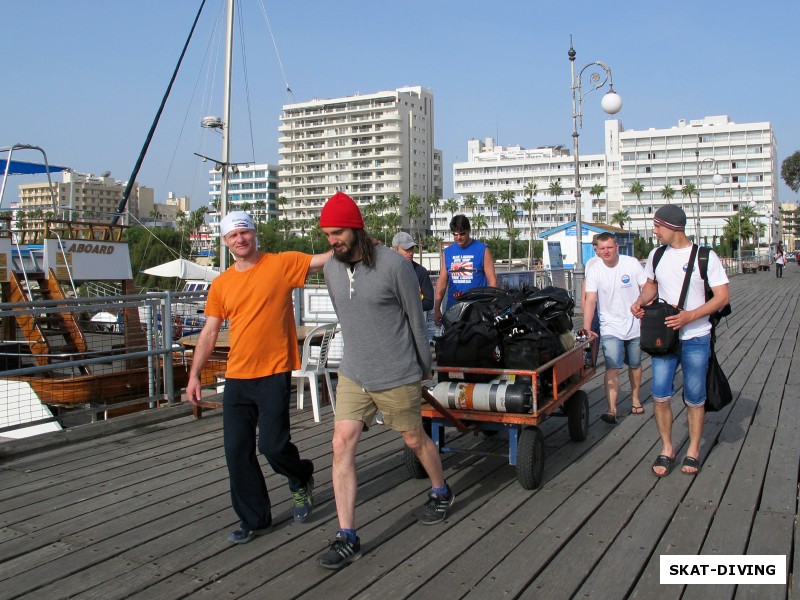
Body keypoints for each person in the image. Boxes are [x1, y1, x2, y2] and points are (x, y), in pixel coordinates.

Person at [315, 192, 453, 570]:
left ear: (357, 228)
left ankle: (441, 490)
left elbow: (415, 319)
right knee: (340, 443)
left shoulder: (395, 265)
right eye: (327, 234)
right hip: (354, 372)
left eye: (338, 232)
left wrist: (424, 366)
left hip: (397, 372)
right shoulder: (330, 269)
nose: (333, 241)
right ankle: (347, 536)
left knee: (413, 439)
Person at [185, 211, 331, 544]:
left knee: (272, 445)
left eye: (245, 232)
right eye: (233, 235)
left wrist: (350, 240)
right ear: (225, 242)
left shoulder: (280, 264)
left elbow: (322, 259)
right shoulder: (222, 284)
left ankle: (301, 476)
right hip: (237, 377)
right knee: (237, 452)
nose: (240, 239)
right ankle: (255, 519)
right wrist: (194, 376)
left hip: (274, 372)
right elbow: (209, 333)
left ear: (254, 234)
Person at [631, 205, 730, 478]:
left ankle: (694, 449)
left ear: (673, 227)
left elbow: (722, 297)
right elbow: (652, 284)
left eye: (657, 226)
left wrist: (690, 316)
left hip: (696, 337)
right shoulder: (656, 254)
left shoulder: (705, 257)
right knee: (660, 395)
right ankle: (667, 447)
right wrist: (640, 302)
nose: (654, 231)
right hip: (664, 337)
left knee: (695, 398)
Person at [583, 232, 647, 423]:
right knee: (612, 366)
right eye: (602, 248)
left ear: (617, 247)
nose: (606, 251)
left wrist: (644, 309)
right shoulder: (594, 270)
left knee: (635, 364)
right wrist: (586, 327)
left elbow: (646, 288)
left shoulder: (632, 263)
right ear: (598, 250)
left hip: (634, 323)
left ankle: (635, 399)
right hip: (609, 325)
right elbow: (590, 300)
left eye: (609, 247)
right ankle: (612, 408)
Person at [434, 214, 497, 325]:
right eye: (455, 234)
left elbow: (492, 281)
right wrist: (436, 309)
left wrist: (491, 306)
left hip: (477, 309)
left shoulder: (483, 249)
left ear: (468, 231)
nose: (458, 237)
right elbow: (442, 282)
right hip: (454, 309)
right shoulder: (448, 252)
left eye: (462, 234)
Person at [392, 231, 435, 313]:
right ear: (395, 249)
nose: (411, 252)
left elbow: (429, 302)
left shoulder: (421, 272)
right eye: (406, 249)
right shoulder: (387, 272)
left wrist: (408, 308)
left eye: (411, 248)